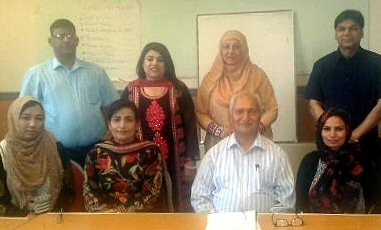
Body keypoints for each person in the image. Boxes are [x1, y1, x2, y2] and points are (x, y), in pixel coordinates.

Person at [304, 9, 381, 211]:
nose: (347, 33)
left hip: (365, 145)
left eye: (353, 28)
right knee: (324, 198)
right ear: (335, 33)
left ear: (362, 32)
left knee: (369, 202)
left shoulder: (377, 63)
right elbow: (313, 102)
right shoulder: (322, 65)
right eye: (342, 29)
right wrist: (332, 130)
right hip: (331, 147)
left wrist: (354, 134)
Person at [19, 18, 119, 166]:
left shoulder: (96, 72)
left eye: (69, 36)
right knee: (62, 189)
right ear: (50, 41)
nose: (65, 40)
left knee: (96, 188)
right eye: (59, 36)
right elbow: (24, 114)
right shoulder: (37, 74)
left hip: (97, 148)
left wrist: (111, 134)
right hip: (55, 150)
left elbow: (111, 107)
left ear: (76, 41)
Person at [121, 42, 199, 212]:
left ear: (167, 64)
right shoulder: (130, 89)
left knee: (176, 202)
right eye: (149, 59)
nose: (154, 63)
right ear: (142, 63)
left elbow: (190, 124)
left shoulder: (178, 89)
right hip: (139, 158)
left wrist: (191, 160)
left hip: (175, 159)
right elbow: (122, 124)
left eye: (160, 60)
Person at [191, 92, 294, 213]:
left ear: (260, 116)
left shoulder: (277, 155)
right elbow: (199, 197)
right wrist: (217, 223)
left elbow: (286, 201)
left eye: (252, 111)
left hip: (264, 229)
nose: (246, 117)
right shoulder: (214, 155)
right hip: (221, 229)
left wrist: (270, 226)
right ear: (230, 118)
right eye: (239, 112)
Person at [196, 30, 278, 151]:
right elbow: (200, 113)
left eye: (236, 47)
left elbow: (272, 109)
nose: (230, 51)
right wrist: (220, 131)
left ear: (244, 49)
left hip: (255, 142)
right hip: (220, 144)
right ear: (220, 50)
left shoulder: (257, 75)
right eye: (226, 47)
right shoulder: (211, 79)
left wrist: (255, 128)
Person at [83, 99, 171, 213]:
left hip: (140, 218)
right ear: (109, 124)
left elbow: (152, 194)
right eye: (116, 120)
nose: (122, 125)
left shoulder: (150, 152)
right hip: (104, 218)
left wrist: (125, 215)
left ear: (137, 124)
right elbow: (90, 193)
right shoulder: (96, 153)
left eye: (129, 120)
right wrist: (109, 214)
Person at [0, 97, 74, 216]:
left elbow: (68, 190)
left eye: (39, 118)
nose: (33, 124)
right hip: (16, 223)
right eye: (26, 118)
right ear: (14, 118)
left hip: (53, 219)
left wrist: (55, 214)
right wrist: (22, 216)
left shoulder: (55, 146)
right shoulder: (3, 152)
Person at [296, 108, 370, 214]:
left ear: (348, 131)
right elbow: (301, 204)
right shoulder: (310, 161)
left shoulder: (361, 161)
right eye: (326, 129)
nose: (332, 135)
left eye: (339, 129)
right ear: (320, 132)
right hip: (315, 227)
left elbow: (375, 203)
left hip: (356, 227)